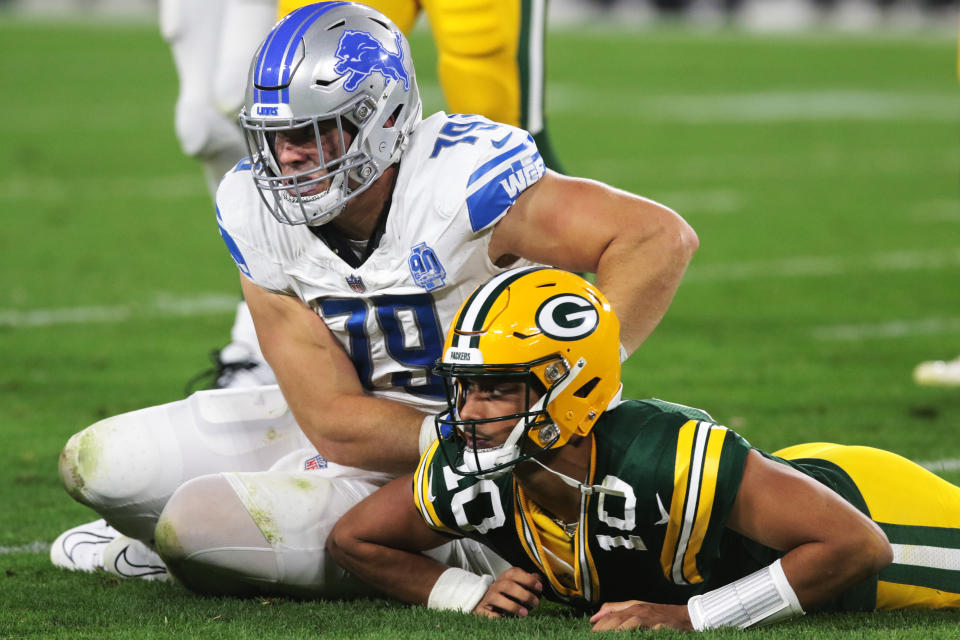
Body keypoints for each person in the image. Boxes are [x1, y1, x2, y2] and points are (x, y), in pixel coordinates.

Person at [50, 2, 699, 596]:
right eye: (275, 136)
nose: (288, 157)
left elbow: (656, 238)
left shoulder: (458, 182)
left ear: (382, 121)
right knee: (98, 464)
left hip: (506, 475)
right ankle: (246, 526)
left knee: (194, 525)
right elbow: (332, 418)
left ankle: (456, 548)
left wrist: (571, 390)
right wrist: (460, 434)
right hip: (379, 435)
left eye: (313, 132)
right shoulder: (256, 210)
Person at [328, 266, 960, 630]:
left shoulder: (656, 454)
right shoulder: (472, 469)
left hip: (875, 514)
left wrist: (691, 618)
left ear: (572, 389)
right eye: (464, 389)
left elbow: (857, 547)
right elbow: (355, 539)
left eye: (497, 390)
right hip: (774, 495)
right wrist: (461, 592)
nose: (470, 415)